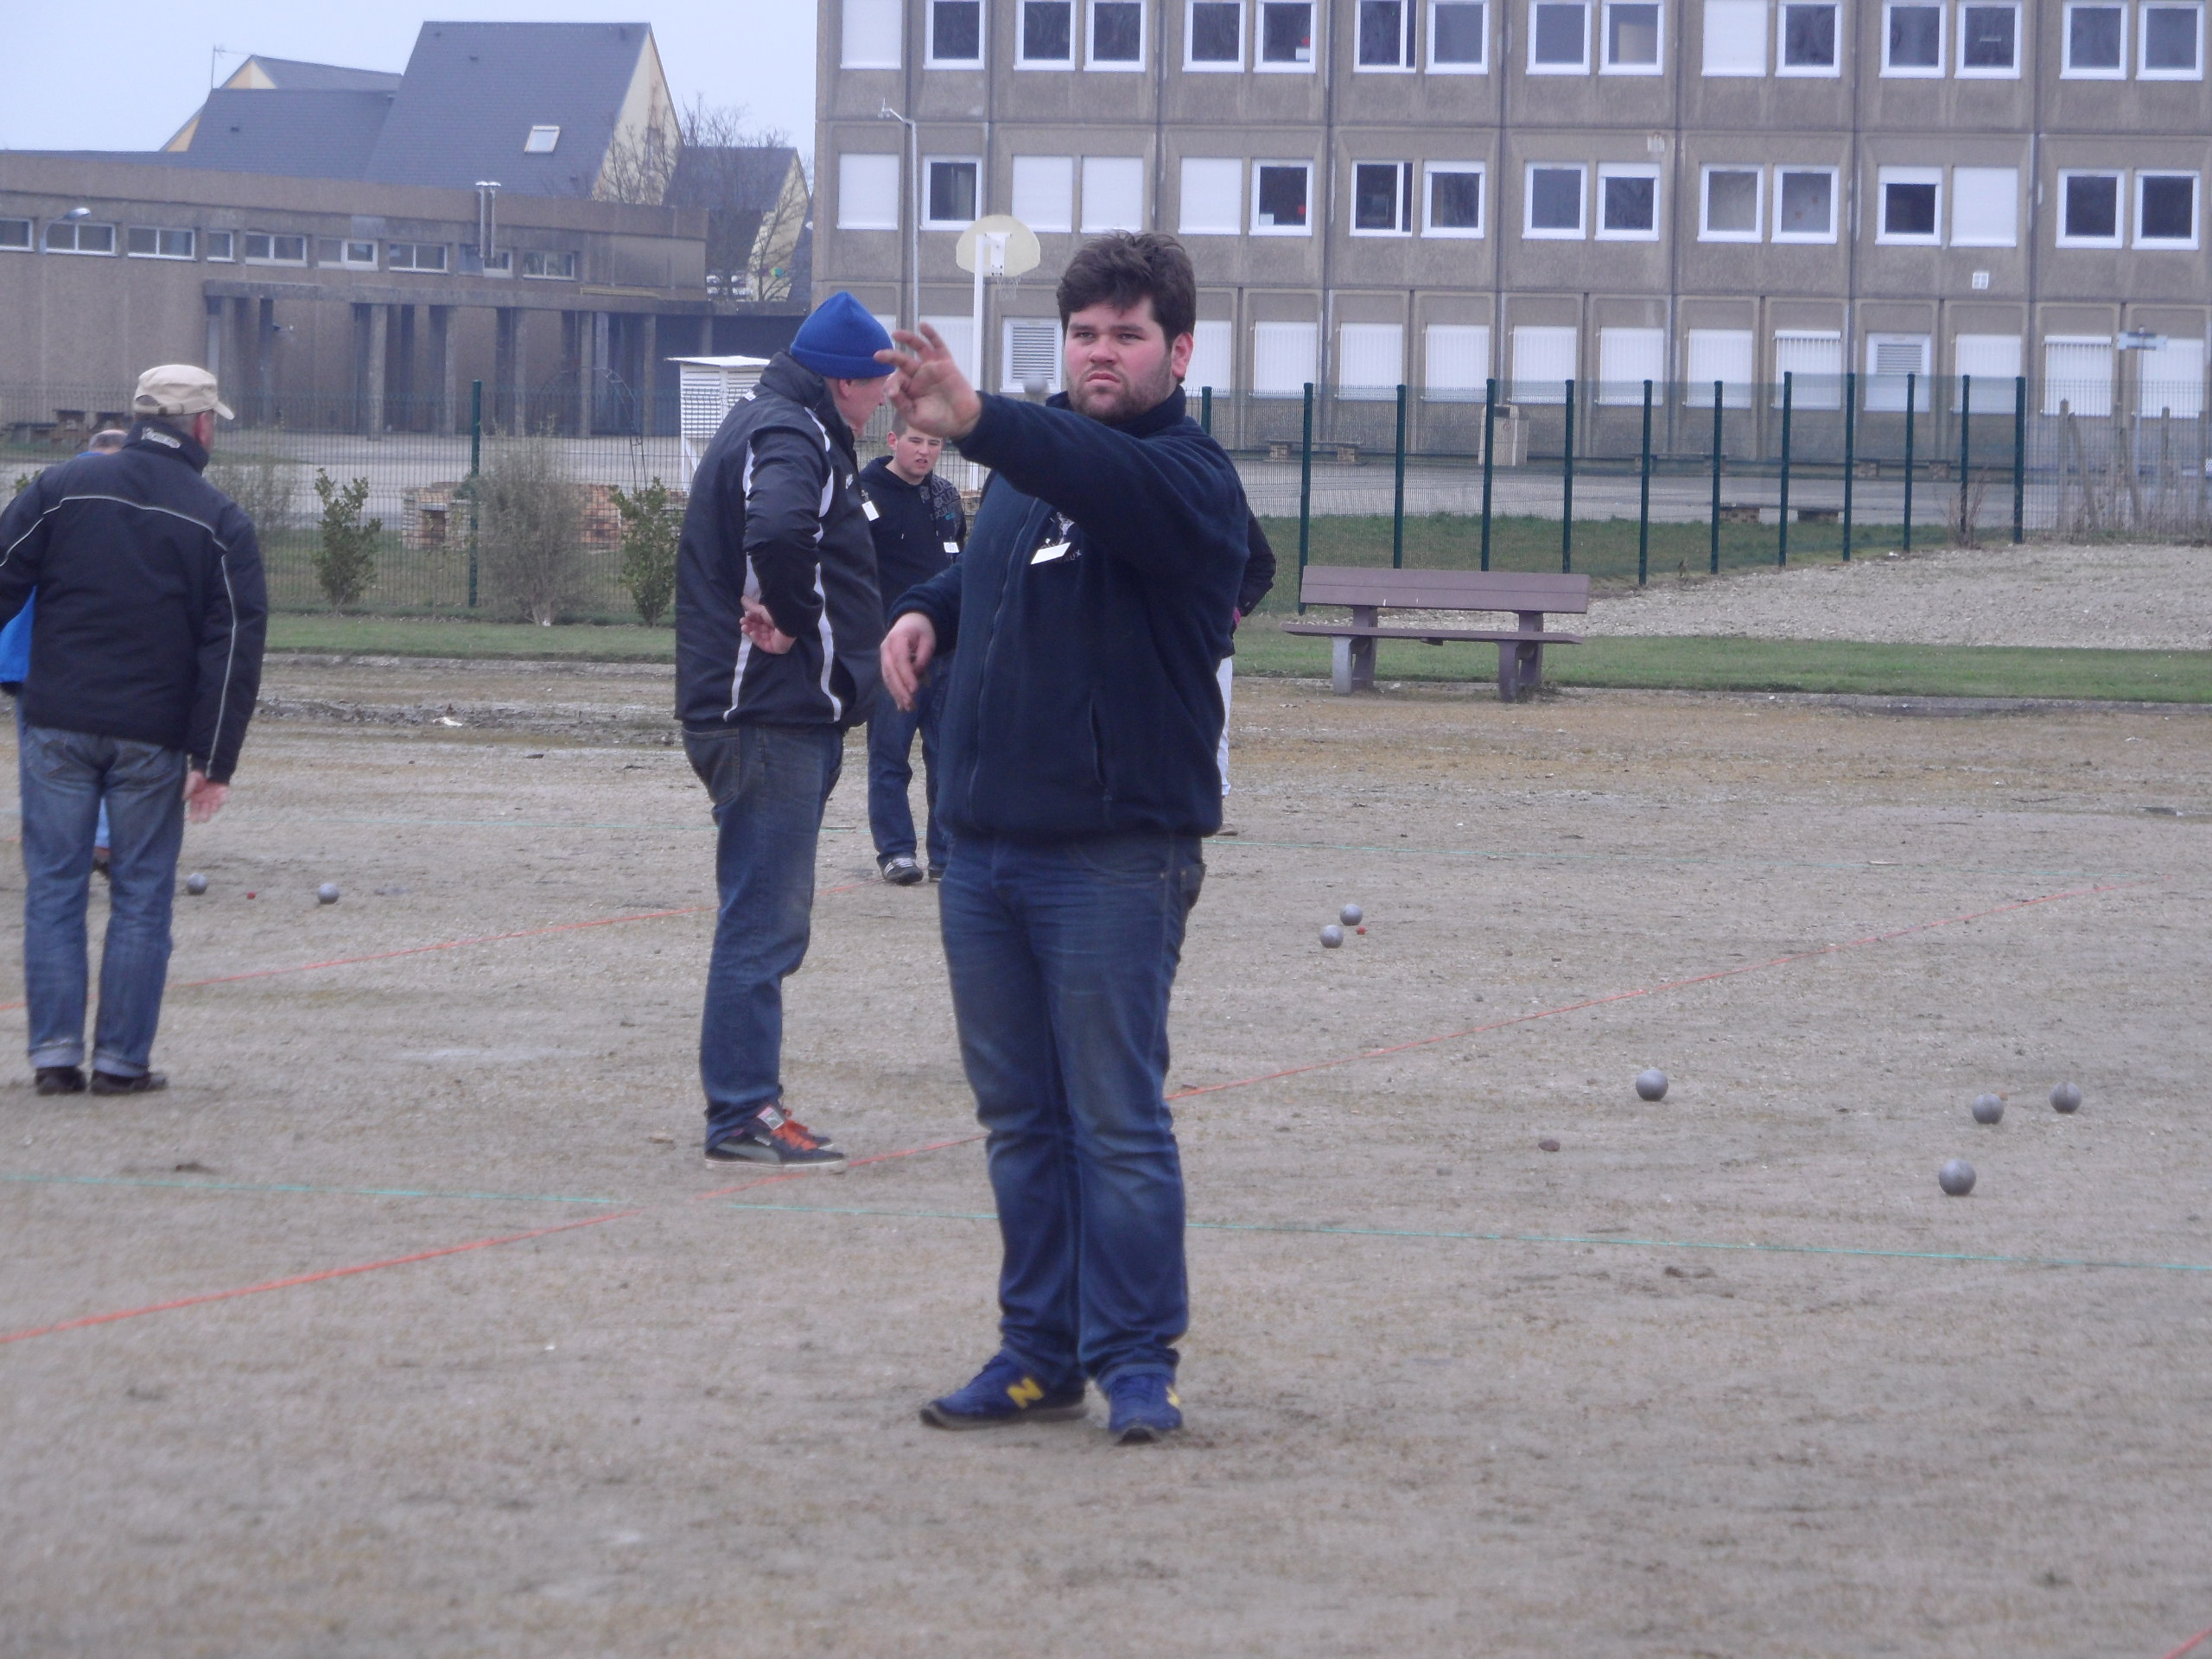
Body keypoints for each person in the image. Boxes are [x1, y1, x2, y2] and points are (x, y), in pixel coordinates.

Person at [878, 232, 1249, 1445]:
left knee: (1116, 1120)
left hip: (1113, 853)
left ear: (1178, 351)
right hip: (983, 847)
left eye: (1127, 334)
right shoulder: (1034, 472)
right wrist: (932, 612)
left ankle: (1138, 1360)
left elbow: (1103, 487)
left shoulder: (1187, 478)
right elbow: (1010, 564)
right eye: (1085, 332)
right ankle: (1039, 1353)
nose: (1101, 352)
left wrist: (979, 416)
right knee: (1020, 1121)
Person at [673, 290, 894, 1171]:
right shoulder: (789, 433)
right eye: (879, 382)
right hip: (765, 715)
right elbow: (775, 525)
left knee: (766, 919)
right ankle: (741, 1110)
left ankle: (745, 1100)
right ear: (845, 380)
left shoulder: (779, 422)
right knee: (762, 921)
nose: (886, 399)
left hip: (776, 712)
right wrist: (799, 621)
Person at [0, 370, 265, 1096]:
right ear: (202, 426)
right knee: (142, 896)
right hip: (152, 734)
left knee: (53, 889)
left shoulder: (61, 487)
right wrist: (215, 760)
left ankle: (54, 1057)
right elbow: (234, 647)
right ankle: (121, 1062)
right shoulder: (220, 519)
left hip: (56, 721)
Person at [1, 430, 130, 879]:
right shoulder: (77, 509)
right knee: (60, 763)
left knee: (85, 757)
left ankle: (96, 843)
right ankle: (92, 844)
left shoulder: (49, 498)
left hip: (63, 659)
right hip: (41, 660)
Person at [856, 415, 966, 885]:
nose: (925, 451)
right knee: (890, 756)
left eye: (935, 443)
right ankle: (897, 852)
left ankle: (947, 853)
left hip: (947, 650)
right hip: (891, 648)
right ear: (894, 440)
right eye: (916, 441)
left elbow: (960, 558)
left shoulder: (946, 496)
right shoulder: (861, 494)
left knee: (947, 755)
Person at [1215, 513, 1277, 832]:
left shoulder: (1229, 506)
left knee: (1215, 724)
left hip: (1212, 639)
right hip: (1154, 636)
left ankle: (1212, 806)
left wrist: (1235, 612)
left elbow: (1262, 564)